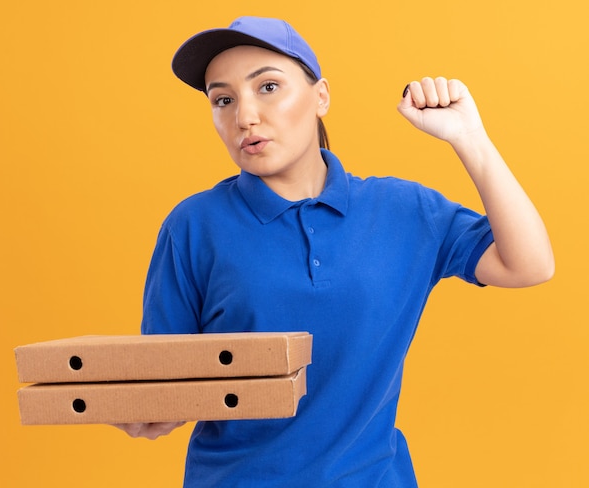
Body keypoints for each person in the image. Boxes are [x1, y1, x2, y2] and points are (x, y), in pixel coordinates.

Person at [115, 16, 554, 487]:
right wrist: (143, 411)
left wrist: (471, 140)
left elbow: (529, 264)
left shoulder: (403, 211)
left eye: (267, 87)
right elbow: (167, 387)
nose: (244, 117)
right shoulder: (193, 226)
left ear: (320, 96)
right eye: (223, 99)